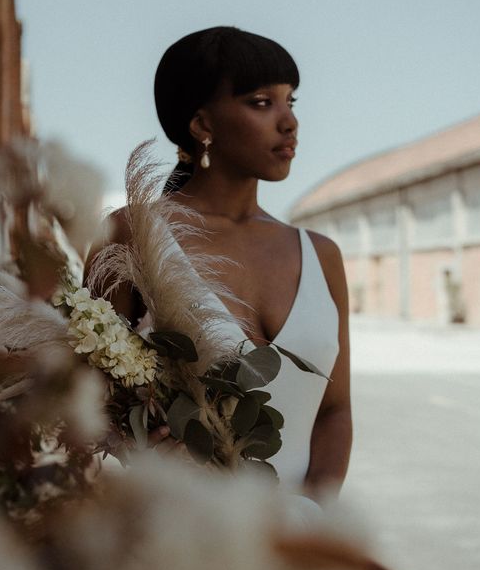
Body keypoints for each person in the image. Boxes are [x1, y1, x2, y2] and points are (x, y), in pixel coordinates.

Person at [84, 26, 351, 501]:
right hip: (176, 531)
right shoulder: (131, 235)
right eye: (261, 102)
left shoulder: (321, 254)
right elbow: (89, 395)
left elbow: (334, 410)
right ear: (202, 125)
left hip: (297, 546)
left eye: (291, 101)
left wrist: (312, 520)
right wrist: (136, 443)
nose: (289, 122)